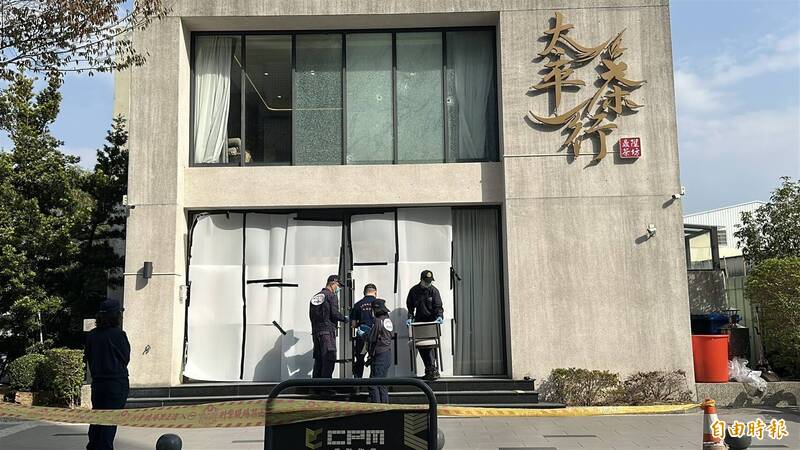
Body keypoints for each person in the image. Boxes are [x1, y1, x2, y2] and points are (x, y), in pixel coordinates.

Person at [85, 299, 130, 450]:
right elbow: (125, 358)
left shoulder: (92, 335)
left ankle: (93, 447)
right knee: (109, 421)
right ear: (116, 315)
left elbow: (89, 357)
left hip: (98, 382)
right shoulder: (118, 335)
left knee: (97, 419)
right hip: (116, 382)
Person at [405, 270, 444, 381]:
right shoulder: (414, 291)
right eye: (426, 281)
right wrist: (410, 317)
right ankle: (429, 370)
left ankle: (433, 370)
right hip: (419, 322)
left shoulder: (434, 291)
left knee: (431, 346)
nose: (428, 283)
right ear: (421, 280)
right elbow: (410, 306)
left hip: (431, 322)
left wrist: (439, 316)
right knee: (421, 346)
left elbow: (438, 307)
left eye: (430, 281)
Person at [309, 274, 347, 379]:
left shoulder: (315, 296)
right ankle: (326, 386)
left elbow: (311, 316)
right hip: (327, 332)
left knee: (319, 360)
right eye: (338, 286)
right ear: (333, 283)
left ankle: (315, 385)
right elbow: (334, 313)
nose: (339, 289)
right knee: (329, 358)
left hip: (316, 332)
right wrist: (345, 319)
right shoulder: (331, 296)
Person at [362, 298, 393, 403]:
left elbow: (372, 338)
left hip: (380, 354)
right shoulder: (387, 319)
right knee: (382, 384)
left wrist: (364, 334)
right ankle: (385, 407)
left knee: (373, 384)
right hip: (387, 353)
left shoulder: (378, 321)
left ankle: (377, 407)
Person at [350, 283, 377, 378]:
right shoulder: (379, 304)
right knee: (375, 358)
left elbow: (353, 324)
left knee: (360, 359)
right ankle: (374, 382)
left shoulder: (357, 305)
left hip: (362, 336)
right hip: (375, 336)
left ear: (364, 292)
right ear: (375, 292)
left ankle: (358, 383)